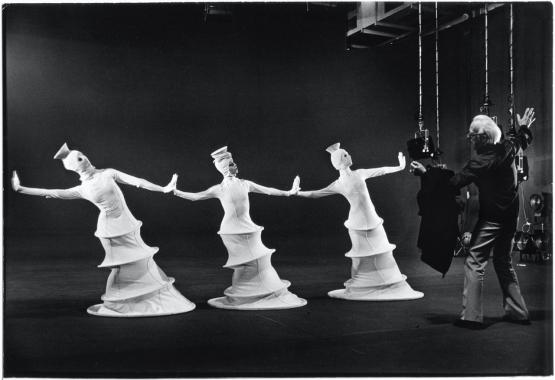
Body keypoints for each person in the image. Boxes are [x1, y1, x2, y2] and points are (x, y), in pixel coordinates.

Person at [11, 143, 195, 317]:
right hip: (110, 230)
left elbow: (137, 181)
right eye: (80, 159)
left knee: (138, 261)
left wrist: (162, 189)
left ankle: (136, 298)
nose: (85, 158)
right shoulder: (82, 189)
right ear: (74, 167)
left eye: (83, 155)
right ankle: (115, 302)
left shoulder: (108, 173)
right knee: (120, 266)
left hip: (127, 223)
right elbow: (52, 192)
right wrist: (20, 189)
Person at [411, 108, 536, 328]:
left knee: (474, 261)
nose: (469, 138)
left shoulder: (481, 160)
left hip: (494, 218)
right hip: (510, 216)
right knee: (503, 261)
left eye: (472, 135)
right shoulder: (506, 148)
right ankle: (518, 312)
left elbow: (453, 184)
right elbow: (519, 141)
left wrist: (426, 173)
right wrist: (524, 127)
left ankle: (471, 317)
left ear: (482, 137)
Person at [172, 146, 307, 310]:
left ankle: (254, 291)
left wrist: (288, 192)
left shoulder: (245, 184)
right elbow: (196, 197)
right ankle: (249, 292)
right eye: (232, 164)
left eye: (234, 163)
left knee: (256, 260)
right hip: (232, 231)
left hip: (248, 228)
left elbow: (268, 191)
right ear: (224, 168)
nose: (236, 166)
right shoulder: (219, 189)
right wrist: (176, 191)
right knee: (249, 262)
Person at [296, 143, 423, 301]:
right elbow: (316, 194)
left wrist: (399, 166)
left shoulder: (360, 173)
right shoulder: (339, 184)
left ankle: (388, 282)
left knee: (382, 250)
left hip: (372, 219)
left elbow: (381, 170)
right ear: (337, 163)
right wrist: (298, 193)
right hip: (356, 223)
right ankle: (361, 284)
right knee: (361, 255)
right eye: (345, 155)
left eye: (347, 154)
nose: (349, 156)